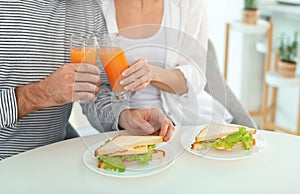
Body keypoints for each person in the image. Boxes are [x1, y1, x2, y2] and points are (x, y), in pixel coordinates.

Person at [0, 0, 173, 160]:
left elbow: (96, 91)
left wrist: (125, 117)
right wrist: (36, 95)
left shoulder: (86, 8)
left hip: (56, 151)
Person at [82, 0, 233, 135]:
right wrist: (125, 117)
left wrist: (153, 74)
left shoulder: (187, 4)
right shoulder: (94, 7)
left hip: (188, 121)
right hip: (129, 129)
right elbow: (88, 91)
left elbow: (196, 80)